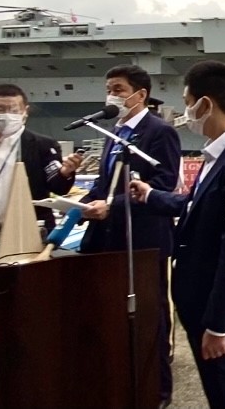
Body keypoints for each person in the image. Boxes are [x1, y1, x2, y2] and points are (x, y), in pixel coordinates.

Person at [130, 60, 225, 409]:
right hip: (202, 301)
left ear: (205, 104)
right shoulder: (220, 154)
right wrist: (151, 195)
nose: (186, 111)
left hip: (222, 310)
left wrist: (220, 326)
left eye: (188, 101)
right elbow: (197, 207)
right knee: (219, 395)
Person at [78, 64, 181, 409]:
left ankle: (158, 390)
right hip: (108, 239)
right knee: (110, 315)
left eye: (119, 89)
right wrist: (81, 203)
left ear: (141, 94)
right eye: (109, 88)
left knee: (151, 318)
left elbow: (163, 187)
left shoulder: (160, 132)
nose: (112, 95)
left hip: (145, 240)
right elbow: (102, 183)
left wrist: (112, 206)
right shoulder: (114, 130)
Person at [0, 83, 81, 237]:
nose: (6, 115)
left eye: (13, 110)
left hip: (30, 230)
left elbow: (58, 187)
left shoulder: (43, 145)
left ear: (25, 112)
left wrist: (66, 173)